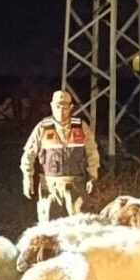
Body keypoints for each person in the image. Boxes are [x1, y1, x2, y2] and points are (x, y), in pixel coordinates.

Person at [20, 90, 100, 222]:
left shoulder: (81, 127)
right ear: (51, 106)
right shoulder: (43, 128)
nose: (61, 111)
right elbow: (28, 155)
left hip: (76, 186)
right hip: (50, 188)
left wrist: (92, 176)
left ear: (71, 108)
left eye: (64, 108)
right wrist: (27, 179)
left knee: (78, 228)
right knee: (49, 229)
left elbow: (92, 153)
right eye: (57, 107)